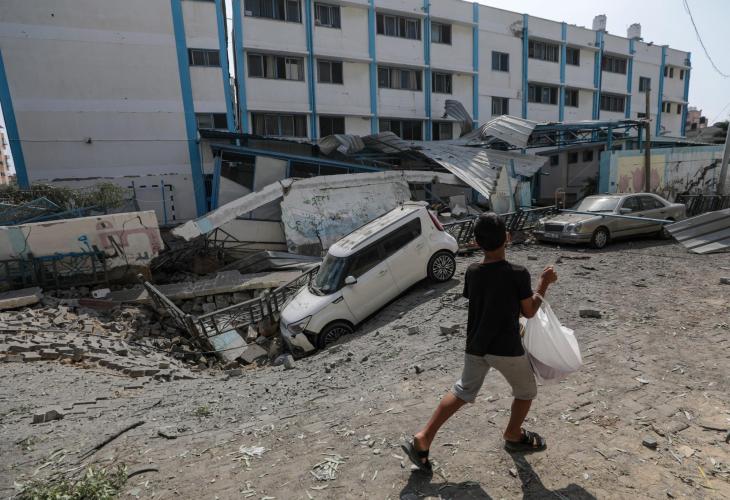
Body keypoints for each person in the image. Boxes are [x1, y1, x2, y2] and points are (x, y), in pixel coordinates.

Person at [402, 212, 558, 472]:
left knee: (462, 390)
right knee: (526, 392)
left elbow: (486, 302)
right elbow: (529, 311)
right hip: (506, 349)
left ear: (476, 242)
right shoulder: (518, 273)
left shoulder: (472, 272)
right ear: (507, 237)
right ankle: (513, 434)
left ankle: (424, 437)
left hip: (476, 345)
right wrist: (543, 284)